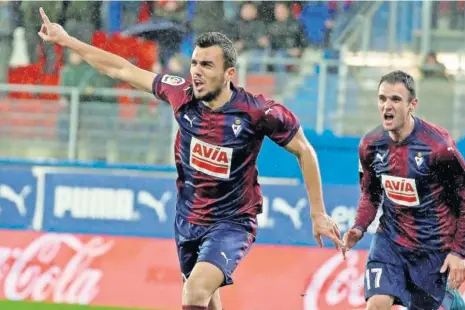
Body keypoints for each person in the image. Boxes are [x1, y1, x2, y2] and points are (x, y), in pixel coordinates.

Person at [37, 7, 344, 310]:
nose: (196, 70)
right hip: (188, 220)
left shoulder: (257, 112)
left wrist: (317, 213)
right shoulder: (180, 94)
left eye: (207, 65)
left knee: (194, 291)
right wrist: (67, 41)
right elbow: (121, 69)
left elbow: (304, 149)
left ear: (228, 74)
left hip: (232, 222)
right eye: (195, 63)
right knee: (207, 300)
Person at [342, 70, 465, 310]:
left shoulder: (438, 146)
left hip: (432, 249)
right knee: (376, 304)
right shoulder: (370, 145)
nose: (387, 105)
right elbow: (371, 194)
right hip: (390, 242)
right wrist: (359, 227)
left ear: (412, 104)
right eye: (382, 98)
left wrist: (458, 252)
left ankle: (451, 301)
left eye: (395, 99)